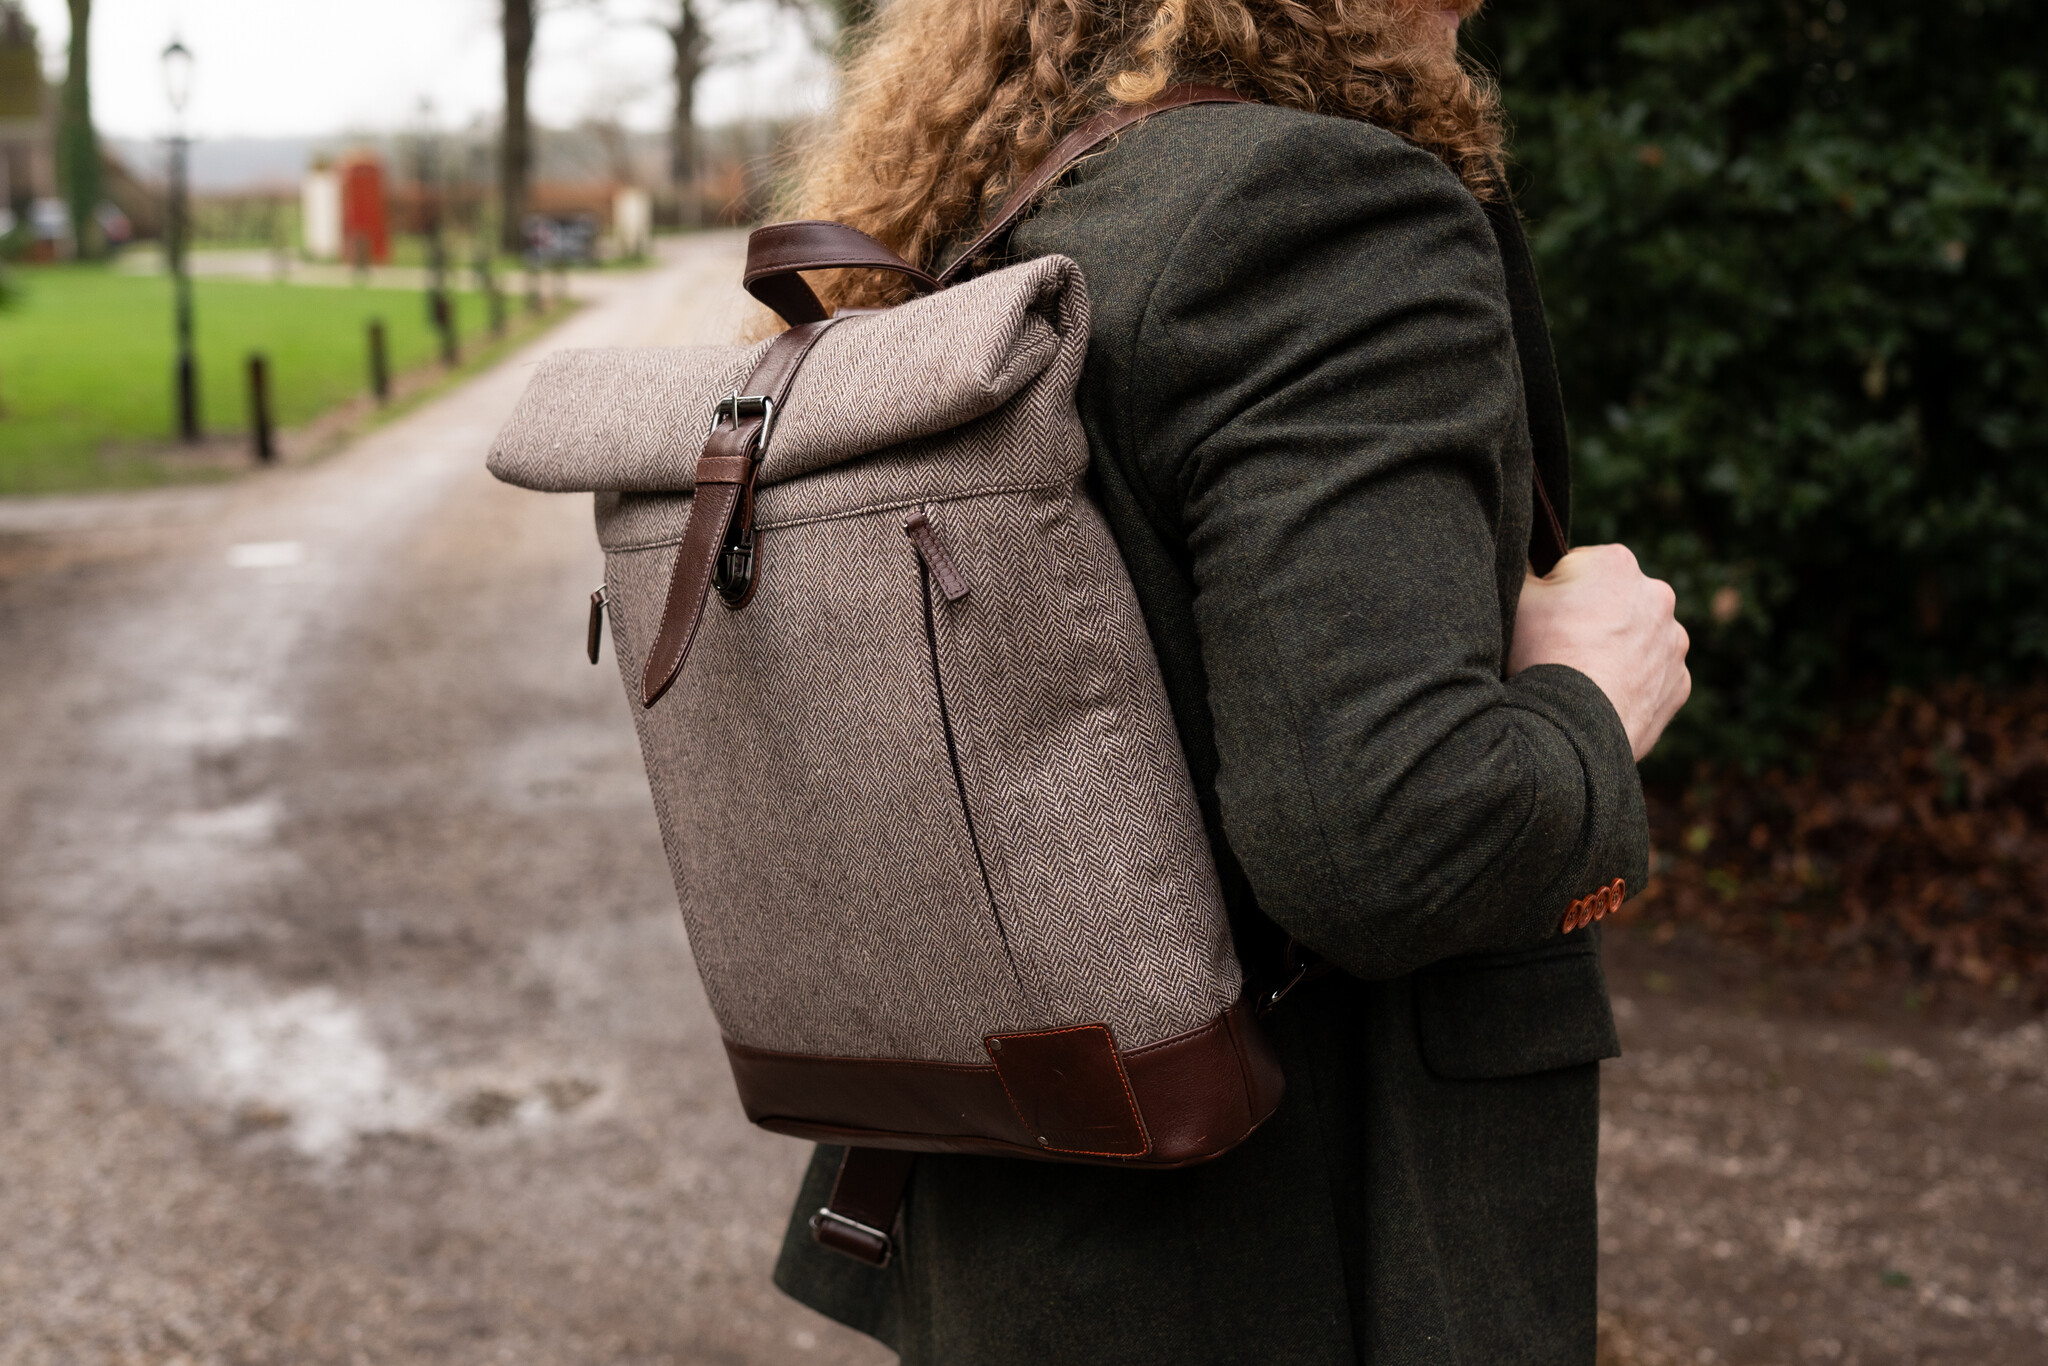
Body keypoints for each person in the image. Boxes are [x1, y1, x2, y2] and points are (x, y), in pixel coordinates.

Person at [768, 0, 1691, 1361]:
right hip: (1289, 1253)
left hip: (1017, 1227)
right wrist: (1591, 700)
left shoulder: (1004, 213)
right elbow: (1384, 842)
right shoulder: (1320, 210)